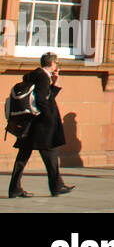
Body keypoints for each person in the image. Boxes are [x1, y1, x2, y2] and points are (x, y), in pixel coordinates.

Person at [8, 52, 74, 198]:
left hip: (29, 123)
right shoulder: (43, 77)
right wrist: (49, 118)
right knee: (50, 154)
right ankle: (56, 187)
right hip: (41, 125)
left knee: (22, 158)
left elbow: (45, 96)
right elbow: (41, 101)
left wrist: (55, 84)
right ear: (51, 63)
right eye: (56, 63)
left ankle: (14, 189)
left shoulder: (35, 76)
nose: (57, 65)